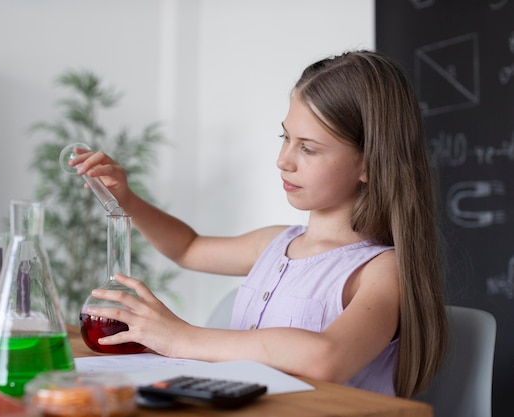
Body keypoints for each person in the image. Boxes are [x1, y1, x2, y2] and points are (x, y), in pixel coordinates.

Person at [69, 50, 448, 398]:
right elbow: (187, 247)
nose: (283, 160)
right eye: (285, 137)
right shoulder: (275, 243)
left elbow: (326, 358)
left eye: (308, 148)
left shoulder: (384, 271)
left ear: (370, 163)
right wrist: (128, 200)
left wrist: (183, 337)